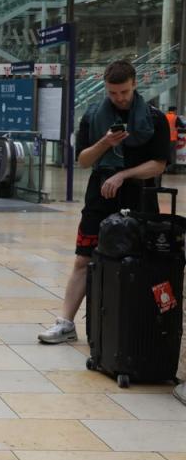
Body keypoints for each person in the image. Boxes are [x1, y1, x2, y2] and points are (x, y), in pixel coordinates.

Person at [39, 60, 168, 344]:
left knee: (147, 261)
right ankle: (65, 323)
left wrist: (123, 175)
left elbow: (158, 165)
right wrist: (105, 143)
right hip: (100, 196)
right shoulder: (94, 115)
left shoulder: (154, 118)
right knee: (84, 258)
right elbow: (83, 159)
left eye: (123, 91)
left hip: (139, 198)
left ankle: (150, 324)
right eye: (113, 93)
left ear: (134, 84)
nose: (119, 98)